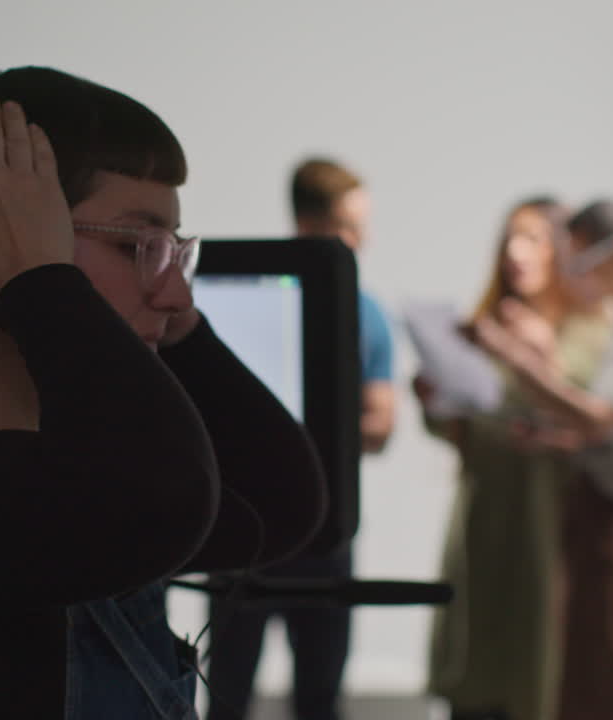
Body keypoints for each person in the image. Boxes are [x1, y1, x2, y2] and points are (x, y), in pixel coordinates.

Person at [0, 66, 328, 719]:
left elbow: (281, 503)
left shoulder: (75, 472)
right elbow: (166, 498)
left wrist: (174, 322)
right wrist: (38, 280)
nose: (176, 292)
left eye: (174, 251)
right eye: (135, 245)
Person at [468, 199, 613, 720]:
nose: (576, 274)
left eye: (582, 259)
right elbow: (605, 436)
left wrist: (515, 358)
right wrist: (550, 439)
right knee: (577, 689)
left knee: (611, 691)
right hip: (593, 516)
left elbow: (599, 421)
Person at [203, 158, 395, 720]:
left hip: (324, 536)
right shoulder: (248, 298)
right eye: (348, 227)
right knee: (226, 692)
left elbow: (381, 427)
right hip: (246, 530)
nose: (362, 241)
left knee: (320, 697)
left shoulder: (368, 314)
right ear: (308, 224)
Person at [417, 198, 611, 720]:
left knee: (538, 662)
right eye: (509, 239)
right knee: (475, 663)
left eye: (532, 239)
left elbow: (592, 424)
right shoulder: (484, 326)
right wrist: (436, 398)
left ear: (560, 252)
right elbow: (467, 431)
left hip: (546, 522)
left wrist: (535, 353)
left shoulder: (587, 329)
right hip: (485, 517)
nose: (515, 252)